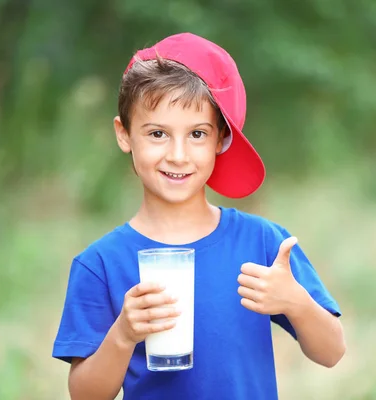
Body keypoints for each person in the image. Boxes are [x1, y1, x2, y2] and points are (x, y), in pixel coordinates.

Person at [52, 32, 346, 400]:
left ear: (222, 139)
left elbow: (332, 351)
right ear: (124, 134)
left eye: (197, 134)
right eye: (157, 133)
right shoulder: (100, 265)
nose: (177, 155)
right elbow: (85, 395)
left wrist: (296, 301)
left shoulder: (262, 243)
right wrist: (123, 334)